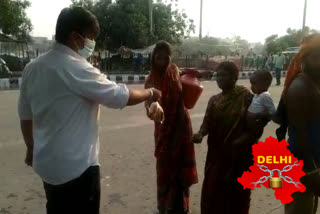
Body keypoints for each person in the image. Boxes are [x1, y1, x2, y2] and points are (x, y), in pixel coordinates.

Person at [18, 7, 161, 214]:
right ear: (76, 37)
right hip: (77, 168)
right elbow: (119, 95)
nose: (91, 44)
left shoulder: (32, 68)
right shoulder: (76, 67)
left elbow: (25, 115)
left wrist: (31, 148)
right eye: (91, 37)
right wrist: (149, 93)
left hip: (46, 165)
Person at [192, 61, 261, 214]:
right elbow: (207, 124)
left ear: (234, 77)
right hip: (217, 154)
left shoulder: (246, 97)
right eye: (218, 75)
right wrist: (200, 134)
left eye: (224, 75)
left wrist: (241, 141)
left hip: (239, 155)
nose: (219, 79)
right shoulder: (214, 100)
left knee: (238, 195)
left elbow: (256, 127)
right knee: (212, 191)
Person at [145, 41, 198, 214]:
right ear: (153, 57)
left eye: (165, 55)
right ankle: (164, 206)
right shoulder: (150, 79)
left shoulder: (175, 72)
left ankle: (181, 206)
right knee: (164, 169)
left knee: (180, 170)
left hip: (181, 129)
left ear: (170, 57)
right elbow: (148, 106)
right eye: (158, 55)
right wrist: (152, 109)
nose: (161, 58)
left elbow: (187, 93)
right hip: (163, 131)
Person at [284, 36, 320, 214]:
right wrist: (312, 172)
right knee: (299, 209)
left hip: (312, 161)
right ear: (305, 60)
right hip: (303, 165)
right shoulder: (301, 88)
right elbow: (300, 134)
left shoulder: (314, 83)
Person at [247, 69, 276, 138]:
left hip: (256, 124)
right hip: (251, 122)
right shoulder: (258, 95)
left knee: (251, 137)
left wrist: (259, 115)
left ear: (264, 84)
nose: (251, 87)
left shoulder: (265, 96)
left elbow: (272, 111)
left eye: (254, 83)